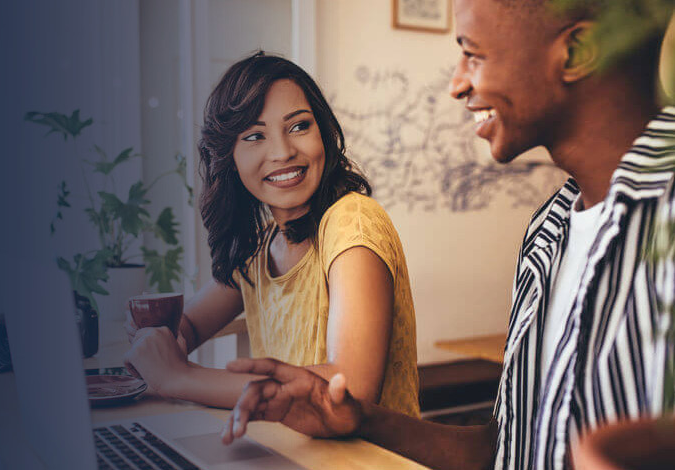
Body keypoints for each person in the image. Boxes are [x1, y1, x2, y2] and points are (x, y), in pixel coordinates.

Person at [221, 2, 675, 470]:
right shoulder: (549, 229)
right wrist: (360, 419)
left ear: (578, 50)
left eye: (472, 54)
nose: (458, 83)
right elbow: (508, 449)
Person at [123, 52, 421, 417]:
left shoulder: (352, 221)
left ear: (323, 133)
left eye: (299, 126)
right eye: (254, 136)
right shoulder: (262, 247)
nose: (282, 152)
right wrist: (159, 340)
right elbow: (190, 325)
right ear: (228, 158)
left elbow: (352, 387)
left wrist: (179, 378)